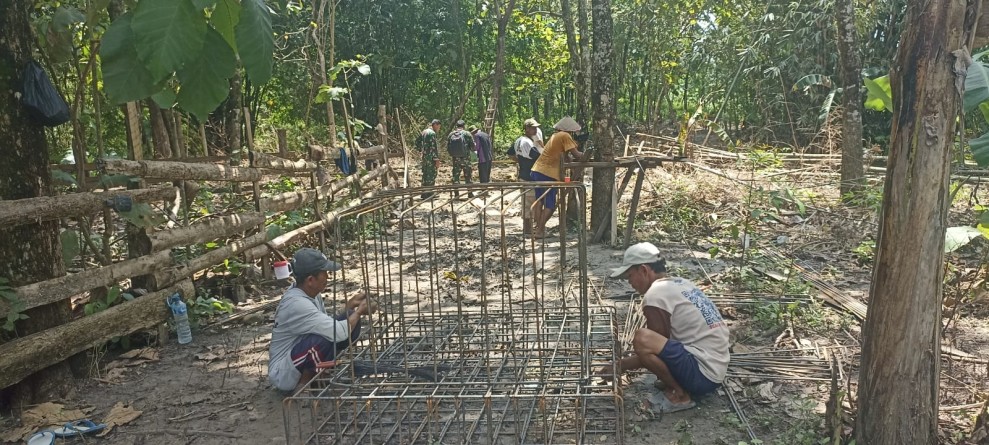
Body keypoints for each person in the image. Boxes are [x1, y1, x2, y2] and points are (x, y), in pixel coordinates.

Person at [598, 242, 729, 413]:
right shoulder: (682, 283)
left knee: (642, 338)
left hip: (702, 375)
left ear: (644, 270)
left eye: (630, 276)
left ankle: (679, 394)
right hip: (716, 369)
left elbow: (650, 348)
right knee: (649, 341)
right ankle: (679, 383)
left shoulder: (655, 295)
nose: (629, 282)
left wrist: (619, 365)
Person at [267, 248, 376, 393]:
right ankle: (303, 386)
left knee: (346, 320)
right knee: (325, 337)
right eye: (324, 273)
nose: (327, 277)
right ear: (310, 280)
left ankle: (318, 374)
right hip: (283, 373)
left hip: (295, 357)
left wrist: (349, 308)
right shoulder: (297, 304)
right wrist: (359, 312)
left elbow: (327, 324)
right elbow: (337, 332)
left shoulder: (309, 293)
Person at [529, 117, 584, 239]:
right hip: (547, 173)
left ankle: (539, 229)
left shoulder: (555, 136)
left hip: (537, 170)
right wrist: (587, 154)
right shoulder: (565, 135)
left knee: (540, 201)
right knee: (550, 205)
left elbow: (564, 156)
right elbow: (576, 154)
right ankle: (539, 230)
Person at [508, 118, 542, 235]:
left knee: (527, 202)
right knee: (531, 203)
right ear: (527, 129)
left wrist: (519, 160)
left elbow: (510, 153)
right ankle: (528, 229)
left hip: (523, 174)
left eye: (536, 128)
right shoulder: (527, 142)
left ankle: (528, 228)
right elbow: (538, 157)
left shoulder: (519, 140)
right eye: (533, 128)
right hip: (529, 177)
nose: (535, 130)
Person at [415, 119, 442, 198]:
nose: (439, 129)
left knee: (425, 174)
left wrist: (422, 150)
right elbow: (434, 147)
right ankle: (430, 193)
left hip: (425, 157)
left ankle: (424, 193)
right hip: (431, 158)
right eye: (439, 127)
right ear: (435, 125)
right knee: (431, 174)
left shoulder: (424, 132)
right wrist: (436, 159)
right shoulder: (432, 133)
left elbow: (417, 142)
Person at [447, 120, 475, 193]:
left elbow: (448, 147)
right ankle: (470, 193)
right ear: (464, 126)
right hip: (466, 159)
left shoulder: (451, 134)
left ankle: (456, 194)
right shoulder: (467, 134)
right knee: (468, 176)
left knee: (456, 177)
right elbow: (473, 147)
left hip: (455, 160)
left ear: (456, 126)